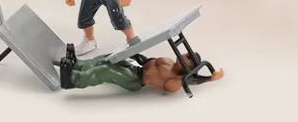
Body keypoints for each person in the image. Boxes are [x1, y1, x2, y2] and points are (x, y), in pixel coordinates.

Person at [58, 43, 225, 93]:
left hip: (136, 80)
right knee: (107, 59)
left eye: (188, 58)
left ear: (189, 68)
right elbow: (147, 61)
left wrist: (210, 78)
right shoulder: (169, 61)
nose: (185, 55)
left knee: (106, 71)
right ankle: (77, 65)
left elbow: (190, 80)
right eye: (187, 54)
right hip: (136, 68)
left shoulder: (176, 80)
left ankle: (72, 80)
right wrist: (134, 54)